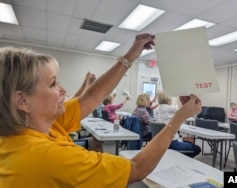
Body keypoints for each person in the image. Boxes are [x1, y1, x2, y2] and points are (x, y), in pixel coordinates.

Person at [0, 33, 202, 188]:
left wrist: (131, 55)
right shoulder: (46, 156)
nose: (63, 90)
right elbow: (136, 168)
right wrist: (180, 116)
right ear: (22, 100)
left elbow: (91, 97)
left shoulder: (36, 126)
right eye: (53, 84)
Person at [154, 91, 201, 157]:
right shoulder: (172, 109)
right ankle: (182, 159)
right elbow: (184, 109)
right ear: (168, 99)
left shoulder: (156, 110)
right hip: (172, 142)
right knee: (197, 148)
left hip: (160, 142)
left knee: (187, 143)